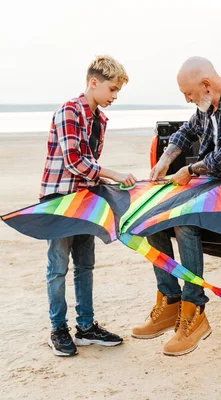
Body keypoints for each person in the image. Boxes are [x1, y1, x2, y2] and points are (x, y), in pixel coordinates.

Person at [131, 56, 221, 356]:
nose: (187, 100)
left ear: (206, 86)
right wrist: (166, 159)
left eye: (189, 94)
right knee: (153, 214)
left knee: (185, 219)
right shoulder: (208, 105)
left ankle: (195, 312)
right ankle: (171, 302)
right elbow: (185, 133)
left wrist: (190, 170)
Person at [41, 55, 137, 357]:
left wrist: (110, 185)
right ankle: (58, 329)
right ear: (93, 83)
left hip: (86, 200)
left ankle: (85, 327)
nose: (114, 97)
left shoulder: (100, 119)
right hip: (60, 199)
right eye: (112, 89)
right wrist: (115, 174)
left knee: (85, 265)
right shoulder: (69, 111)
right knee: (58, 267)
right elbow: (74, 163)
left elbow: (89, 165)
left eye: (118, 91)